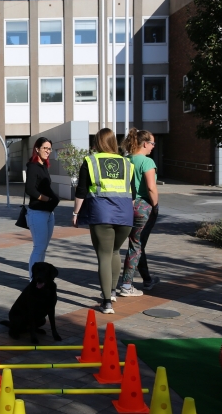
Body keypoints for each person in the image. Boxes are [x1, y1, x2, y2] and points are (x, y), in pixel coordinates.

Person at [72, 128, 134, 314]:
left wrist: (76, 213)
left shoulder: (91, 161)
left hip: (101, 213)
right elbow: (133, 193)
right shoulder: (126, 162)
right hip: (125, 215)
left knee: (104, 255)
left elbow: (81, 191)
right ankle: (113, 291)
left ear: (97, 142)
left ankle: (107, 302)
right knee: (116, 251)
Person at [118, 128, 161, 297]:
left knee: (137, 244)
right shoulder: (147, 162)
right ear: (145, 143)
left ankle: (147, 279)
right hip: (143, 207)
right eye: (152, 143)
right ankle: (127, 284)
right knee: (136, 245)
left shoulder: (125, 159)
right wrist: (155, 206)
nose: (153, 147)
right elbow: (151, 187)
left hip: (125, 206)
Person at [25, 137, 60, 279]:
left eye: (49, 148)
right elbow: (30, 190)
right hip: (37, 213)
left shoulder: (43, 166)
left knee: (43, 248)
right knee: (39, 248)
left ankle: (39, 277)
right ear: (37, 149)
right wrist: (47, 199)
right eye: (45, 148)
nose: (48, 151)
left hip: (48, 213)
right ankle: (33, 278)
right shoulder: (33, 166)